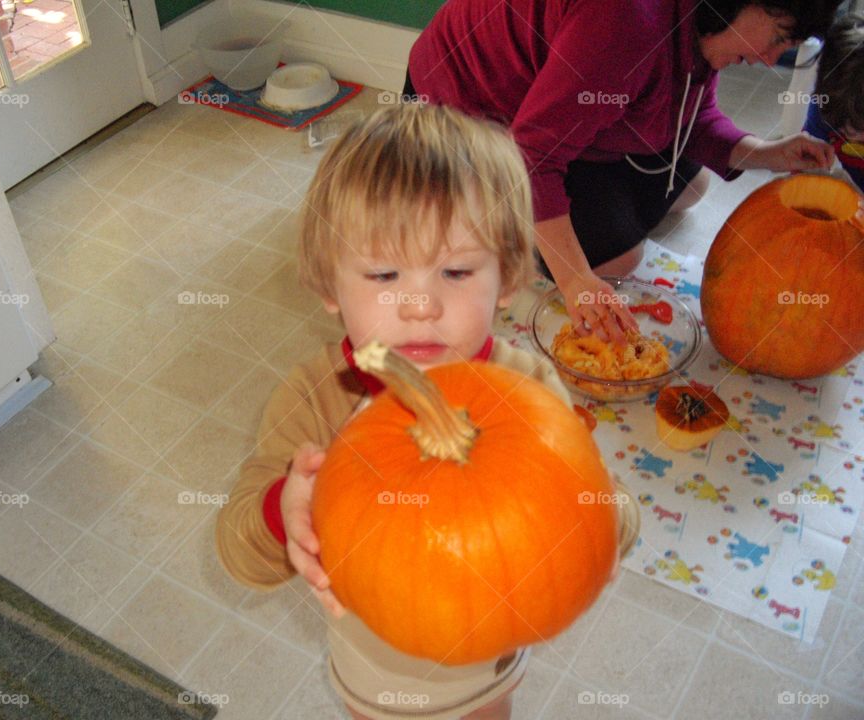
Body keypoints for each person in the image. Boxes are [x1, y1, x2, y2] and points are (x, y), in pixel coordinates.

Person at [215, 104, 639, 720]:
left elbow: (613, 523)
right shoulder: (317, 398)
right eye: (384, 273)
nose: (420, 305)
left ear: (510, 278)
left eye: (457, 270)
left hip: (490, 657)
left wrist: (592, 509)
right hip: (375, 667)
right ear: (330, 287)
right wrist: (287, 512)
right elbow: (237, 551)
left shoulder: (528, 386)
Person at [405, 0, 841, 343]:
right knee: (620, 258)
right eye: (779, 36)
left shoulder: (701, 21)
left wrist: (767, 153)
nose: (770, 59)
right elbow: (532, 157)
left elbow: (690, 116)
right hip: (464, 121)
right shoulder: (625, 24)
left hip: (556, 116)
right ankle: (478, 234)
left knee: (694, 183)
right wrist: (576, 278)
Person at [803, 13, 864, 192]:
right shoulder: (825, 106)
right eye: (842, 128)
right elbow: (810, 157)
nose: (852, 136)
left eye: (861, 129)